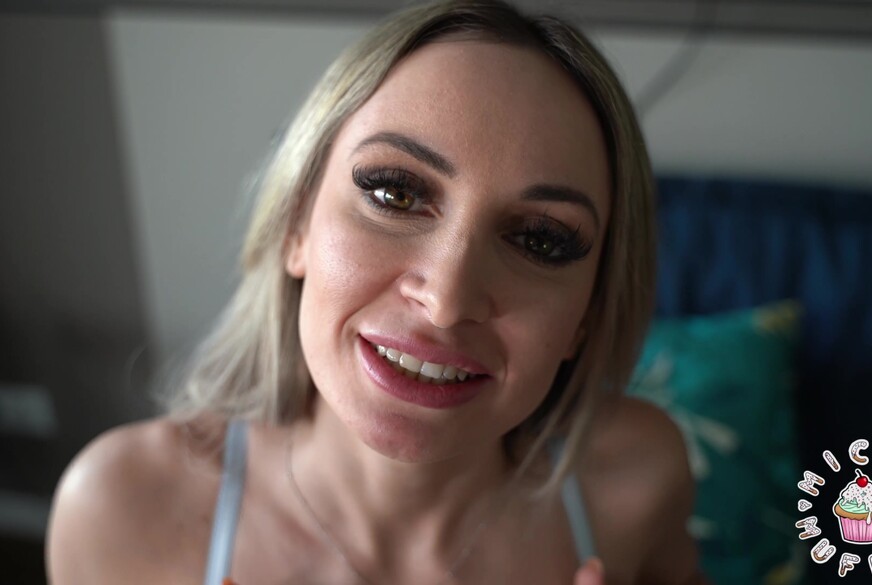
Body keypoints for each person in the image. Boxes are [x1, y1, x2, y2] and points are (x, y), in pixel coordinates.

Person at [47, 1, 707, 583]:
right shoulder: (120, 507)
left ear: (586, 315)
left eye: (539, 239)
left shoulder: (634, 480)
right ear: (297, 223)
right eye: (395, 193)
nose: (447, 299)